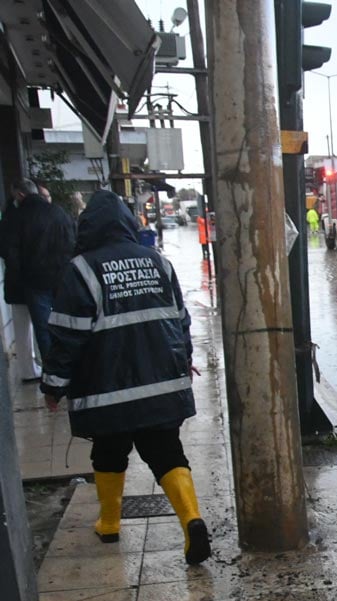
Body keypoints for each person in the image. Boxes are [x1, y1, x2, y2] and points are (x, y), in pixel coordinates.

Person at [39, 190, 210, 565]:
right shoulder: (158, 262)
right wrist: (184, 360)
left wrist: (53, 385)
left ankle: (110, 523)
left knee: (108, 453)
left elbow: (67, 336)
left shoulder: (81, 270)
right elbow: (180, 321)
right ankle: (191, 521)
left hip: (107, 392)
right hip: (161, 386)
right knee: (167, 453)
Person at [5, 178, 75, 372]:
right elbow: (73, 241)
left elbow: (10, 251)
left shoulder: (17, 217)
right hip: (62, 277)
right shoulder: (59, 212)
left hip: (35, 281)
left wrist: (19, 276)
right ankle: (70, 367)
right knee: (65, 324)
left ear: (20, 194)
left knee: (43, 328)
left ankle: (52, 370)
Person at [0, 180, 42, 381]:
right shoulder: (46, 215)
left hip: (17, 282)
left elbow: (5, 250)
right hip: (41, 281)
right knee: (42, 325)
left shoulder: (10, 218)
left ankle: (28, 370)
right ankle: (44, 366)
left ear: (19, 194)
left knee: (22, 327)